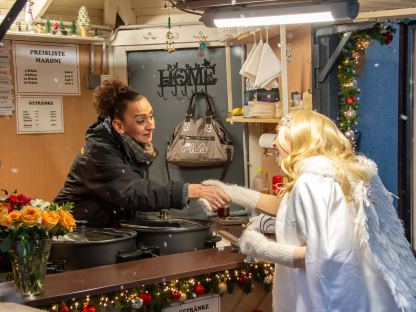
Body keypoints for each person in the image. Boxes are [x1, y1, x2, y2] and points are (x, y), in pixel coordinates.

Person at [202, 110, 416, 312]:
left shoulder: (313, 183)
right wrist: (229, 192)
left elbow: (326, 256)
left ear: (299, 139)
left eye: (279, 135)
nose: (274, 142)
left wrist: (261, 247)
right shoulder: (335, 175)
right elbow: (285, 206)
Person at [55, 79, 230, 227]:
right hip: (76, 234)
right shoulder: (98, 152)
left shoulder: (133, 148)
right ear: (118, 126)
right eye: (141, 120)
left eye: (151, 116)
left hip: (106, 231)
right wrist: (188, 190)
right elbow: (133, 191)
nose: (151, 125)